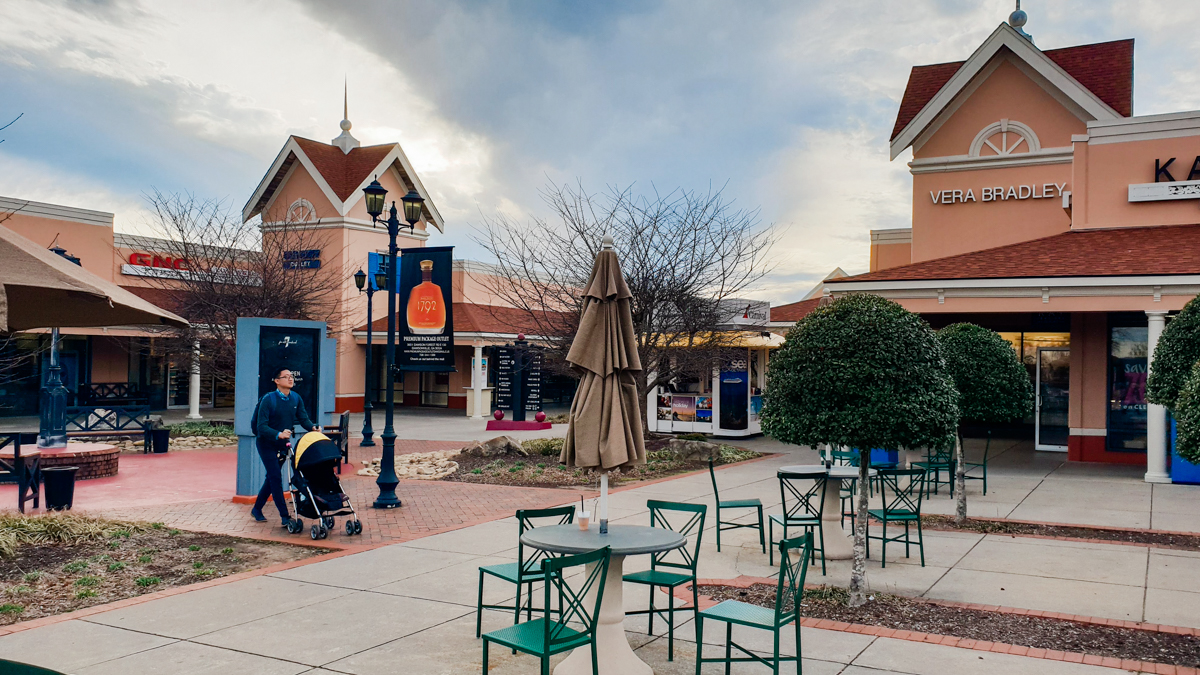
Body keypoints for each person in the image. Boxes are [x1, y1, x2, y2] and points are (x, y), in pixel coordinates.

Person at [251, 367, 319, 526]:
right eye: (286, 377)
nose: (291, 379)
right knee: (275, 477)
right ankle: (284, 515)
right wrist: (278, 434)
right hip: (266, 443)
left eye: (292, 376)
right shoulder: (269, 400)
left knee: (272, 478)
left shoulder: (295, 398)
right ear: (277, 381)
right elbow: (261, 427)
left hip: (283, 444)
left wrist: (313, 427)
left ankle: (257, 509)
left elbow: (303, 418)